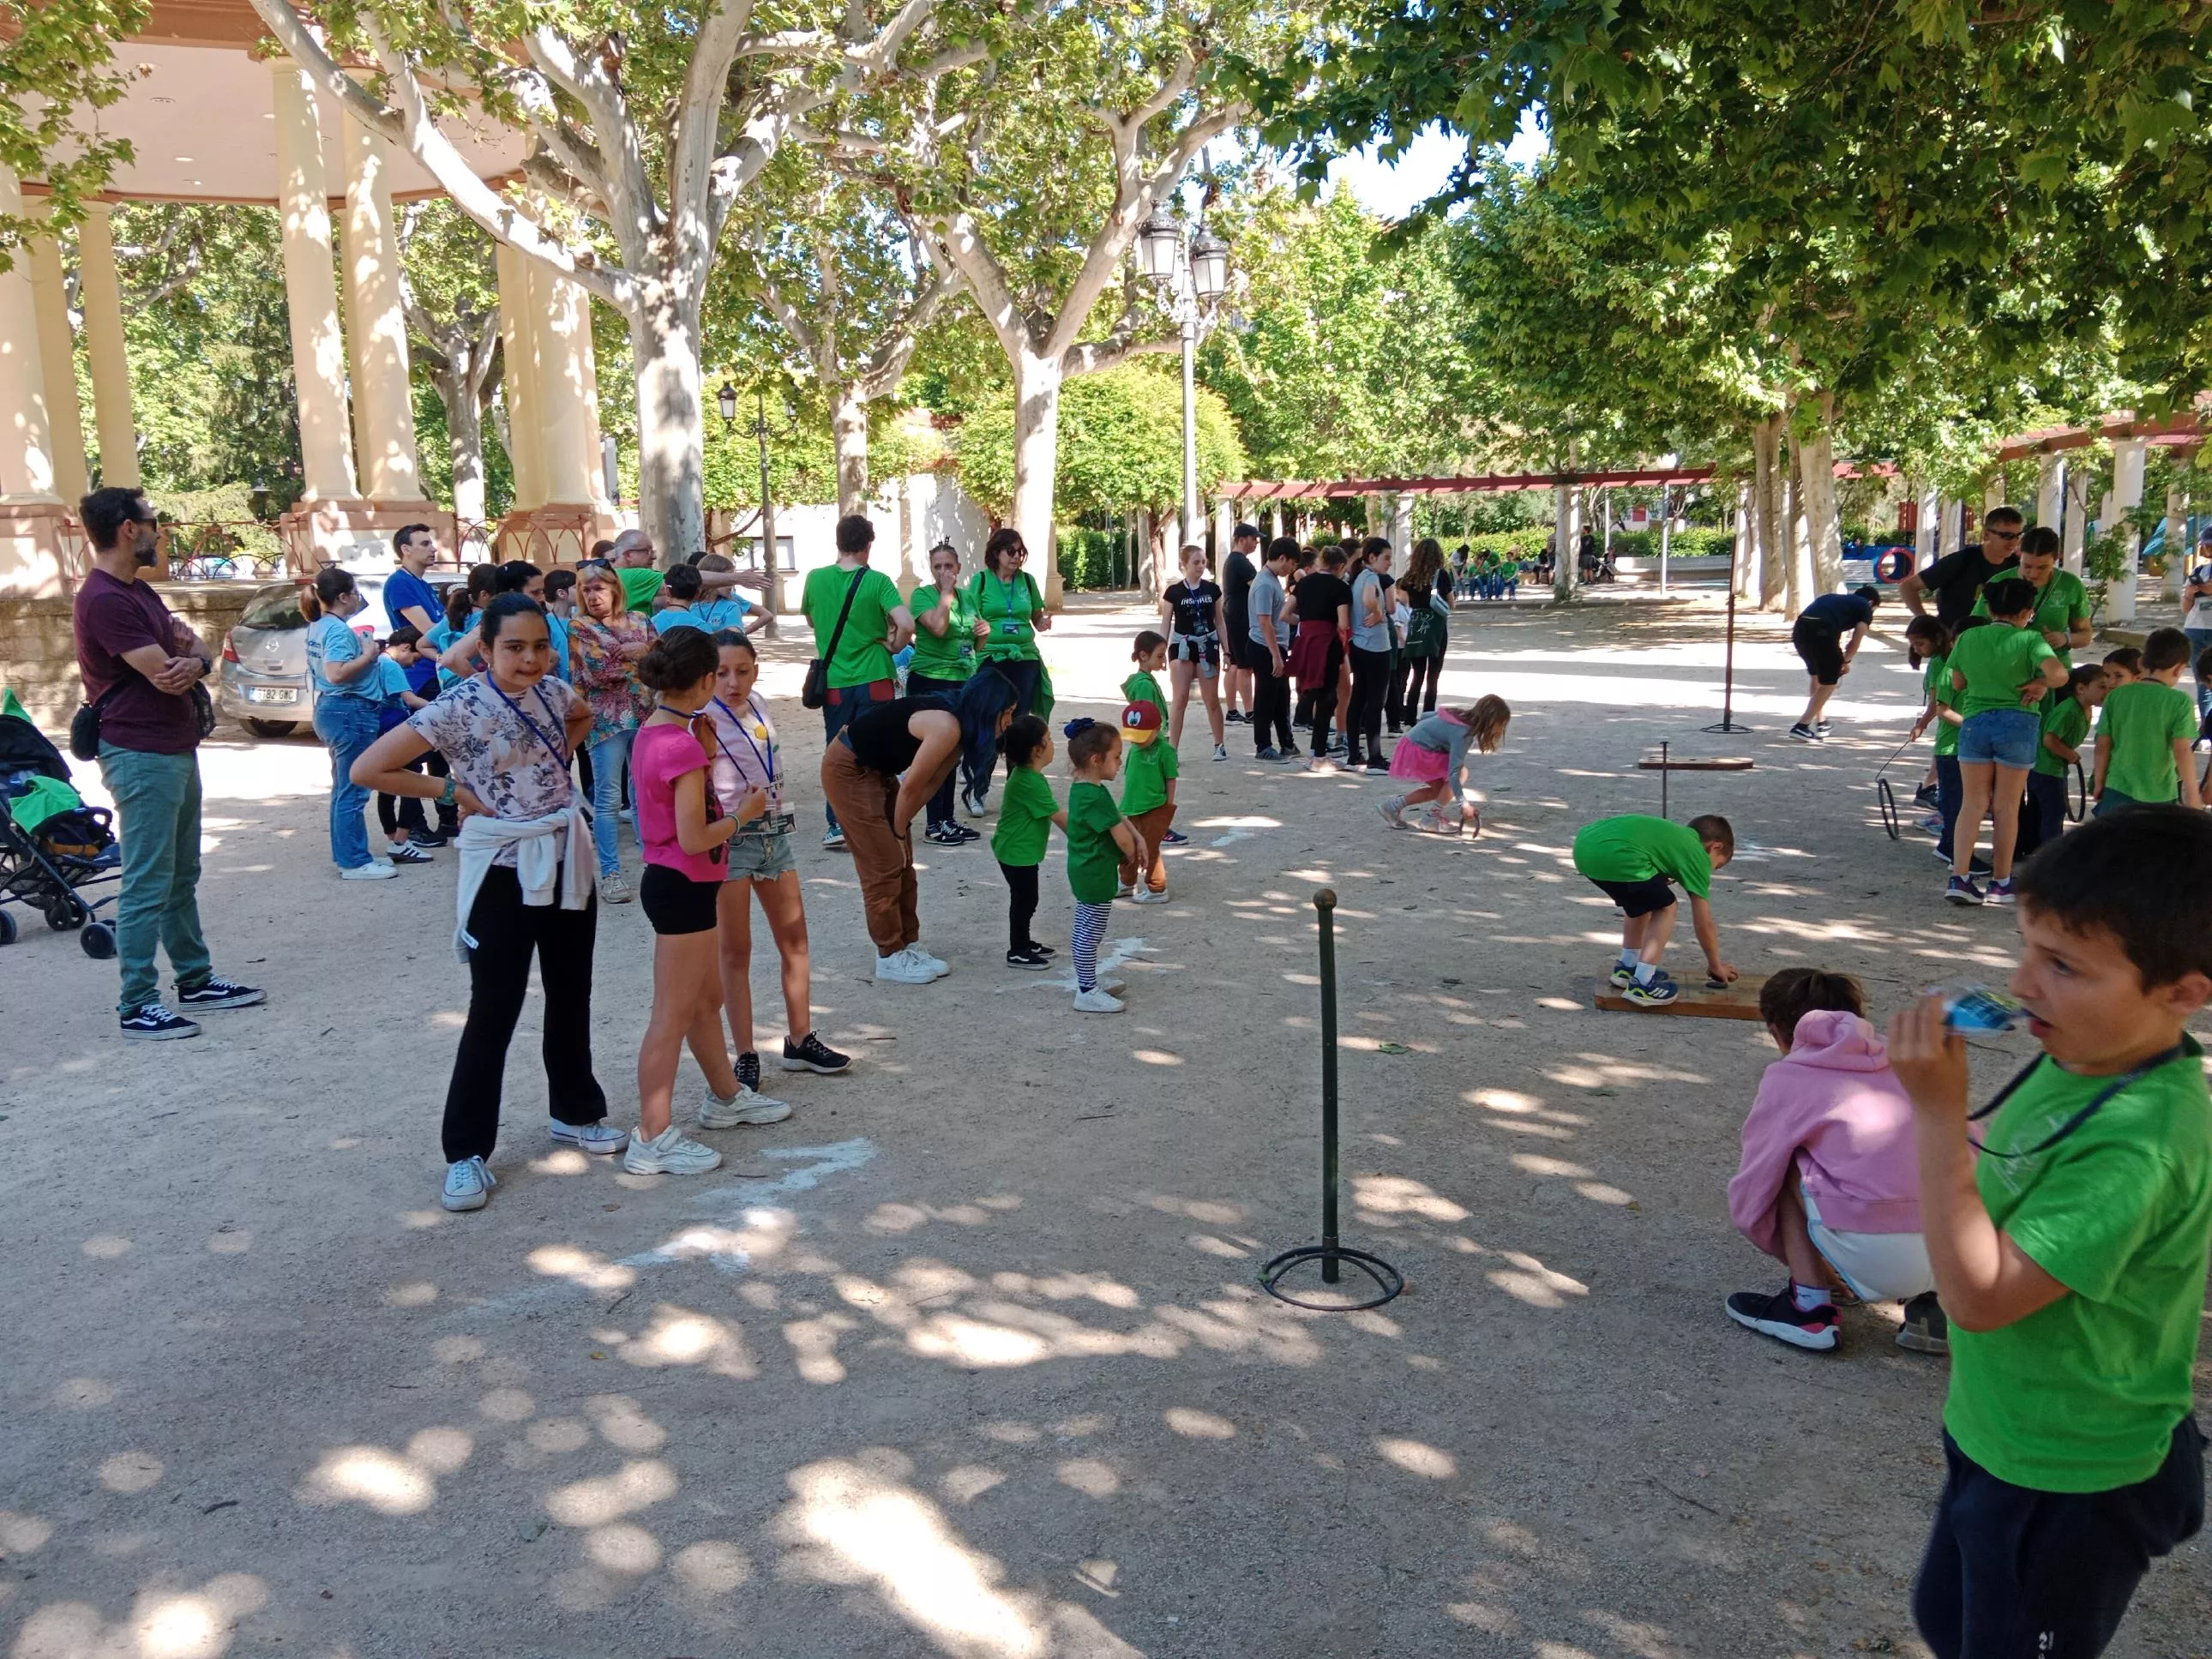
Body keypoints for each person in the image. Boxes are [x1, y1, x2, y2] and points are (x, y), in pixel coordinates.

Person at [1884, 809, 2212, 1659]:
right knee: (1947, 1622)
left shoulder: (2142, 1141)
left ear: (2183, 993)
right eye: (2028, 947)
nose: (2024, 985)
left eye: (2064, 965)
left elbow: (1981, 1299)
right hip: (2002, 1429)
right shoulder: (2081, 1051)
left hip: (2073, 1473)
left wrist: (1934, 1114)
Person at [350, 594, 610, 1212]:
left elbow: (582, 717)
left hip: (565, 855)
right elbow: (370, 767)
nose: (529, 658)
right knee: (494, 1009)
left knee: (572, 992)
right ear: (486, 649)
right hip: (501, 867)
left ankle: (575, 1111)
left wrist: (558, 766)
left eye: (539, 646)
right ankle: (465, 1151)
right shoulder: (460, 704)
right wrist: (452, 790)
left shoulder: (553, 692)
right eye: (513, 647)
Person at [70, 486, 262, 1040]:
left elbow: (195, 652)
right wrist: (188, 658)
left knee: (181, 875)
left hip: (172, 747)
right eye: (153, 521)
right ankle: (137, 1003)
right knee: (148, 881)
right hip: (140, 754)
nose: (160, 531)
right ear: (129, 528)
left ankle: (195, 978)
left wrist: (194, 657)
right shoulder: (105, 598)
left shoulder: (138, 593)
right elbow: (167, 670)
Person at [1726, 970, 1942, 1355]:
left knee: (1784, 1159)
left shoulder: (1789, 1075)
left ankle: (1809, 1306)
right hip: (1955, 1253)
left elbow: (1757, 1182)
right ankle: (1934, 1310)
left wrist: (1793, 1252)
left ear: (1777, 1033)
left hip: (1874, 1249)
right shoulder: (1907, 1059)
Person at [626, 628, 773, 1175]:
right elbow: (694, 837)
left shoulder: (659, 729)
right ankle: (653, 1134)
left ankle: (727, 1096)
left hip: (682, 886)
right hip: (682, 885)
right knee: (673, 1014)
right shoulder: (682, 743)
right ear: (707, 678)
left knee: (705, 999)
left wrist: (705, 754)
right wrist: (744, 815)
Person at [702, 629, 848, 1092]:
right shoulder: (701, 719)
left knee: (795, 942)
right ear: (707, 675)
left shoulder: (760, 703)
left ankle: (800, 1038)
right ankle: (745, 1053)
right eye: (722, 673)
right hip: (732, 841)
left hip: (774, 835)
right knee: (736, 951)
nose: (732, 682)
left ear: (756, 671)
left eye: (742, 671)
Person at [818, 667, 1019, 983]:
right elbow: (911, 786)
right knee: (884, 865)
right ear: (987, 706)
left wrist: (902, 832)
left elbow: (930, 785)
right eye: (1006, 713)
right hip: (849, 769)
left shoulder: (960, 732)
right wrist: (897, 832)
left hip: (877, 772)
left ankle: (907, 944)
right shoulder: (946, 725)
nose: (1008, 722)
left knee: (904, 862)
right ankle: (889, 955)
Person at [1946, 578, 2070, 906]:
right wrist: (2040, 684)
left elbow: (1958, 681)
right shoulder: (2030, 640)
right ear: (2028, 612)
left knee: (1971, 804)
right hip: (2018, 723)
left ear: (1988, 608)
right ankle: (2001, 881)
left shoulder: (1970, 636)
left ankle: (1960, 877)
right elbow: (2060, 676)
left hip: (1974, 723)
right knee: (2007, 806)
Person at [802, 514, 913, 849]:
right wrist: (893, 644)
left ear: (838, 543)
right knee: (880, 746)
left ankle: (837, 823)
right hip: (876, 676)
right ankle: (880, 817)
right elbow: (906, 624)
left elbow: (810, 618)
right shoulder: (877, 581)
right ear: (868, 544)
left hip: (835, 679)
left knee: (837, 748)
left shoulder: (816, 578)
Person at [1572, 812, 1738, 1007]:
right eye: (1716, 865)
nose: (1709, 871)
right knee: (1666, 907)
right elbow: (1704, 923)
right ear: (1715, 846)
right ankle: (1642, 984)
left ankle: (1628, 967)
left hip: (1585, 847)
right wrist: (1715, 966)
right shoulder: (1697, 855)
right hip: (1619, 855)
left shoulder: (1675, 837)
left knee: (1643, 902)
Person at [300, 566, 397, 881]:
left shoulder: (319, 624)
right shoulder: (339, 631)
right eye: (355, 593)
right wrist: (369, 654)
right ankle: (354, 862)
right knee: (353, 790)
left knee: (344, 788)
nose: (359, 598)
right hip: (349, 710)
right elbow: (336, 673)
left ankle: (349, 855)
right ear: (342, 596)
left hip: (334, 709)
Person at [569, 558, 653, 903]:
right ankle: (611, 874)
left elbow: (661, 662)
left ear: (615, 589)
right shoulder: (580, 626)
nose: (592, 595)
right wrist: (641, 654)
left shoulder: (641, 620)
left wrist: (643, 653)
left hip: (646, 716)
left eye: (598, 588)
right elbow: (598, 672)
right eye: (585, 589)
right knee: (607, 799)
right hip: (605, 723)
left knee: (642, 794)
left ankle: (654, 863)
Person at [905, 540, 988, 846]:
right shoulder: (923, 595)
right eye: (938, 567)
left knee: (952, 754)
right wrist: (944, 595)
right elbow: (938, 628)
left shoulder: (968, 598)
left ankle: (947, 819)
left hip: (962, 680)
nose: (944, 572)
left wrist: (984, 634)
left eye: (949, 566)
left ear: (958, 568)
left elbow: (971, 643)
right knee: (933, 753)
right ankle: (933, 824)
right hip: (930, 680)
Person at [1063, 717, 1141, 1013]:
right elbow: (1120, 837)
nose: (1120, 762)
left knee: (1088, 929)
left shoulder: (1086, 789)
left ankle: (1089, 982)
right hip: (1093, 873)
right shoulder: (1094, 796)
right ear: (1096, 760)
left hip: (1089, 870)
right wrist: (1132, 853)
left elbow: (1117, 817)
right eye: (1117, 756)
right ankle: (1086, 990)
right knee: (1090, 933)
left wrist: (1135, 838)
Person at [967, 527, 1054, 796]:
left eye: (1020, 552)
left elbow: (1036, 618)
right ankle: (978, 788)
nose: (1017, 557)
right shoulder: (980, 581)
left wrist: (1043, 622)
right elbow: (970, 616)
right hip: (990, 658)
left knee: (1018, 725)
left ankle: (1017, 788)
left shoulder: (1027, 581)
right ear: (997, 553)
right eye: (1011, 551)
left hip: (1024, 659)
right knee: (992, 723)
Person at [2092, 626, 2201, 815]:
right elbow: (2182, 750)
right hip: (2160, 794)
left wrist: (2100, 782)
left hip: (2117, 787)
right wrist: (2192, 794)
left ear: (2141, 663)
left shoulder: (2115, 697)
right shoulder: (2180, 702)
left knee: (2114, 842)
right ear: (2179, 669)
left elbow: (2103, 745)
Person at [1969, 526, 2090, 680]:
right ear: (2019, 553)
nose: (2033, 574)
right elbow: (1972, 628)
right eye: (2027, 566)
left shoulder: (2071, 585)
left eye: (2042, 567)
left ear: (2057, 558)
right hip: (2004, 672)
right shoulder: (1999, 582)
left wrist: (2066, 639)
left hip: (2051, 676)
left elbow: (2085, 635)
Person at [1381, 695, 1511, 836]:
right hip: (1419, 751)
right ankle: (1432, 817)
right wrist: (1464, 804)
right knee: (1461, 773)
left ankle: (1392, 807)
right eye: (1502, 724)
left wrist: (1431, 735)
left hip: (1412, 744)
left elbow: (1426, 716)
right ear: (1491, 721)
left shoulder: (1458, 714)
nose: (1502, 728)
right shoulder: (1463, 734)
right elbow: (1453, 773)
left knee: (1439, 791)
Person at [993, 713, 1062, 969]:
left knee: (1026, 898)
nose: (1053, 744)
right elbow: (1060, 818)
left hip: (1019, 850)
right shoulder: (1029, 782)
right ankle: (1018, 949)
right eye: (1049, 739)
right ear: (1037, 750)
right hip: (1015, 852)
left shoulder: (1029, 776)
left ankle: (1024, 941)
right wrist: (1087, 837)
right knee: (1025, 899)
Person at [2019, 664, 2107, 858]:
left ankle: (2034, 850)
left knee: (2040, 812)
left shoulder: (2085, 708)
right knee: (2053, 814)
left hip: (2048, 769)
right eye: (2101, 687)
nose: (2106, 691)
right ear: (2081, 688)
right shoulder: (2068, 710)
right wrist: (2070, 754)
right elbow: (2049, 739)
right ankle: (2051, 857)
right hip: (2047, 770)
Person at [370, 627, 437, 865]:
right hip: (394, 725)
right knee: (413, 782)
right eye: (415, 658)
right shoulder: (391, 665)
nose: (413, 665)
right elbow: (410, 699)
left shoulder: (376, 661)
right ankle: (401, 841)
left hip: (379, 727)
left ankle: (395, 840)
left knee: (386, 785)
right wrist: (440, 709)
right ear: (406, 647)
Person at [1898, 505, 2024, 629]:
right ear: (1986, 535)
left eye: (2017, 536)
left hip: (1993, 642)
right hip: (1954, 642)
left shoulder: (2017, 566)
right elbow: (1907, 587)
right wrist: (1928, 624)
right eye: (2006, 536)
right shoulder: (1962, 561)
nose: (2013, 542)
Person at [1116, 647, 1176, 902]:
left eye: (1143, 736)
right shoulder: (1135, 749)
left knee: (1151, 849)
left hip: (1154, 806)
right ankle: (1126, 882)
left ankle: (1156, 888)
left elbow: (1171, 778)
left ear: (1157, 728)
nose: (1137, 742)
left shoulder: (1164, 750)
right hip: (1133, 806)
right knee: (1127, 845)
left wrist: (1168, 805)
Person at [1788, 584, 1882, 742]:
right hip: (1823, 631)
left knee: (1817, 676)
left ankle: (1821, 722)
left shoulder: (1833, 599)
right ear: (1872, 603)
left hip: (1801, 630)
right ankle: (1801, 726)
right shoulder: (1865, 607)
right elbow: (1856, 640)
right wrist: (1846, 661)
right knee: (1830, 682)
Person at [1159, 544, 1227, 760]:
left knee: (1212, 699)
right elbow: (1166, 623)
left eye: (1203, 562)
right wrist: (1161, 651)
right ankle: (1172, 750)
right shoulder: (1174, 592)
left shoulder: (1212, 590)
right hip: (1182, 646)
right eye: (1196, 563)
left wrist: (1228, 651)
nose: (1200, 566)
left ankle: (1219, 745)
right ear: (1184, 565)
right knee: (1179, 699)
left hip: (1208, 645)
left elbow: (1220, 622)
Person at [1289, 544, 1354, 772]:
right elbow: (1344, 623)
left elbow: (1284, 614)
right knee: (1328, 698)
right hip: (1328, 643)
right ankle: (1319, 756)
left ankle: (1315, 751)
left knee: (1312, 690)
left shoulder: (1304, 582)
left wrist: (1307, 624)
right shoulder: (1341, 587)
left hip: (1307, 641)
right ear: (1340, 566)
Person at [1344, 537, 1397, 772]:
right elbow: (1368, 599)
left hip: (1359, 645)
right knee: (1376, 701)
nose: (1389, 563)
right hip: (1375, 647)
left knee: (1358, 700)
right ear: (1372, 557)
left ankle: (1355, 754)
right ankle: (1375, 757)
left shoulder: (1359, 577)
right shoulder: (1371, 578)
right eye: (1386, 558)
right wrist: (1378, 612)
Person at [1247, 537, 1299, 760]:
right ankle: (1263, 746)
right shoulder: (1265, 584)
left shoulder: (1271, 581)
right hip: (1264, 647)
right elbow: (1264, 622)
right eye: (1292, 564)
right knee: (1266, 698)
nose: (1292, 569)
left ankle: (1286, 742)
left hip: (1273, 646)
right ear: (1282, 558)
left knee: (1280, 697)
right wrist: (1276, 656)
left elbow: (1278, 617)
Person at [1392, 538, 1449, 729]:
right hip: (1436, 628)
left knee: (1417, 674)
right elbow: (1451, 603)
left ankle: (1409, 717)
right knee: (1433, 675)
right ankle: (1429, 715)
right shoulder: (1441, 575)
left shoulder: (1409, 576)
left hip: (1416, 627)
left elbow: (1406, 600)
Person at [1220, 523, 1261, 724]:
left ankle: (1232, 710)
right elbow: (1257, 588)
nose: (1255, 543)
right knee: (1245, 667)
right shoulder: (1241, 562)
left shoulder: (1232, 560)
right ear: (1242, 539)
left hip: (1232, 615)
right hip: (1241, 618)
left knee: (1235, 664)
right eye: (1254, 539)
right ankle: (1251, 711)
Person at [382, 523, 443, 636]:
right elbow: (430, 631)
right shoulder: (399, 583)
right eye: (425, 544)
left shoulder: (423, 584)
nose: (433, 549)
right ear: (406, 549)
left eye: (431, 544)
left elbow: (442, 621)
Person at [2179, 530, 2212, 718]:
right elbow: (2185, 608)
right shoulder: (2199, 571)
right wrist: (2189, 594)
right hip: (2196, 630)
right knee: (2202, 682)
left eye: (2209, 544)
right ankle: (2207, 726)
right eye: (2204, 545)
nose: (2206, 549)